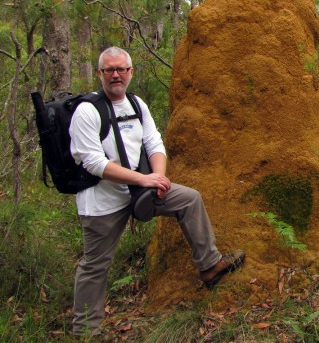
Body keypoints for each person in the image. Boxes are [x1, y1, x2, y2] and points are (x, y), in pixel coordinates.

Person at [69, 46, 245, 337]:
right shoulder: (87, 111)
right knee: (95, 265)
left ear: (130, 72)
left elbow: (154, 143)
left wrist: (159, 177)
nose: (116, 75)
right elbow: (94, 163)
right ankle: (84, 330)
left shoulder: (137, 105)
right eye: (109, 70)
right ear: (99, 73)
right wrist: (143, 180)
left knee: (189, 198)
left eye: (121, 69)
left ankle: (210, 265)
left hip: (140, 192)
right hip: (102, 202)